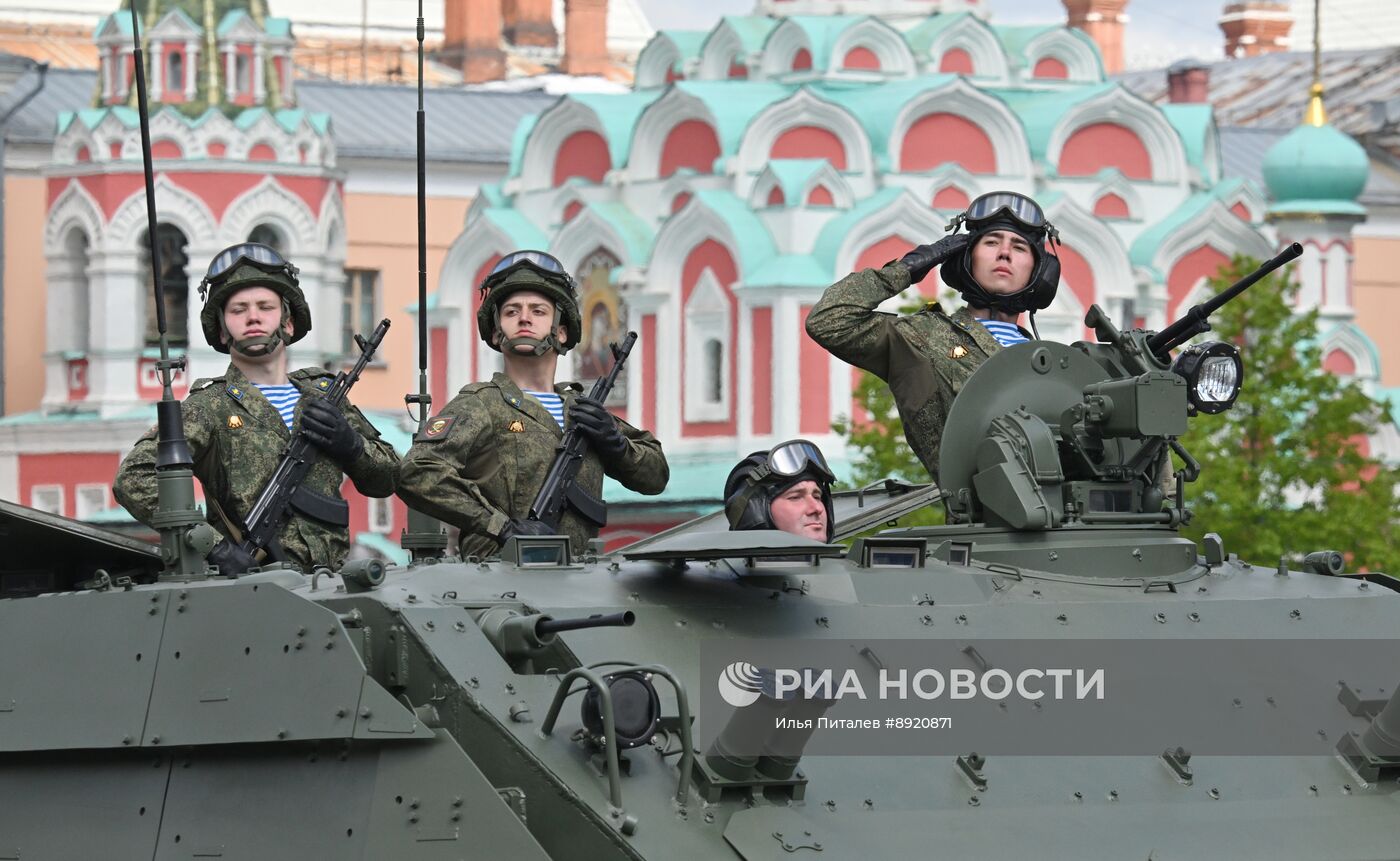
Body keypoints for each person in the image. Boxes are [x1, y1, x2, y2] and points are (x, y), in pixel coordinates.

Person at [114, 242, 400, 575]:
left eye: (265, 306)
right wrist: (212, 545)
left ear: (288, 323)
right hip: (255, 586)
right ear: (222, 329)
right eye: (238, 310)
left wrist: (352, 446)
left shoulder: (323, 396)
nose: (253, 317)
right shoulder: (209, 407)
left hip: (333, 581)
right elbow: (133, 479)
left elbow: (389, 478)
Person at [397, 250, 668, 558]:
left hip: (580, 582)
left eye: (538, 311)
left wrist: (616, 444)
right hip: (501, 584)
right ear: (498, 332)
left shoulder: (582, 411)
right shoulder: (481, 403)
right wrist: (501, 527)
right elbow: (417, 471)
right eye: (512, 312)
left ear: (561, 331)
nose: (524, 318)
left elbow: (656, 476)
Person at [805, 191, 1061, 478]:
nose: (1004, 253)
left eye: (1019, 247)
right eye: (991, 242)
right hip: (977, 511)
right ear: (965, 259)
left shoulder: (1049, 359)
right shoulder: (921, 339)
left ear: (1039, 271)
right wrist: (909, 268)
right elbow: (829, 321)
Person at [723, 439, 836, 542]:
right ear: (753, 512)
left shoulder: (846, 563)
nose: (817, 508)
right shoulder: (716, 564)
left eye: (817, 497)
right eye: (795, 497)